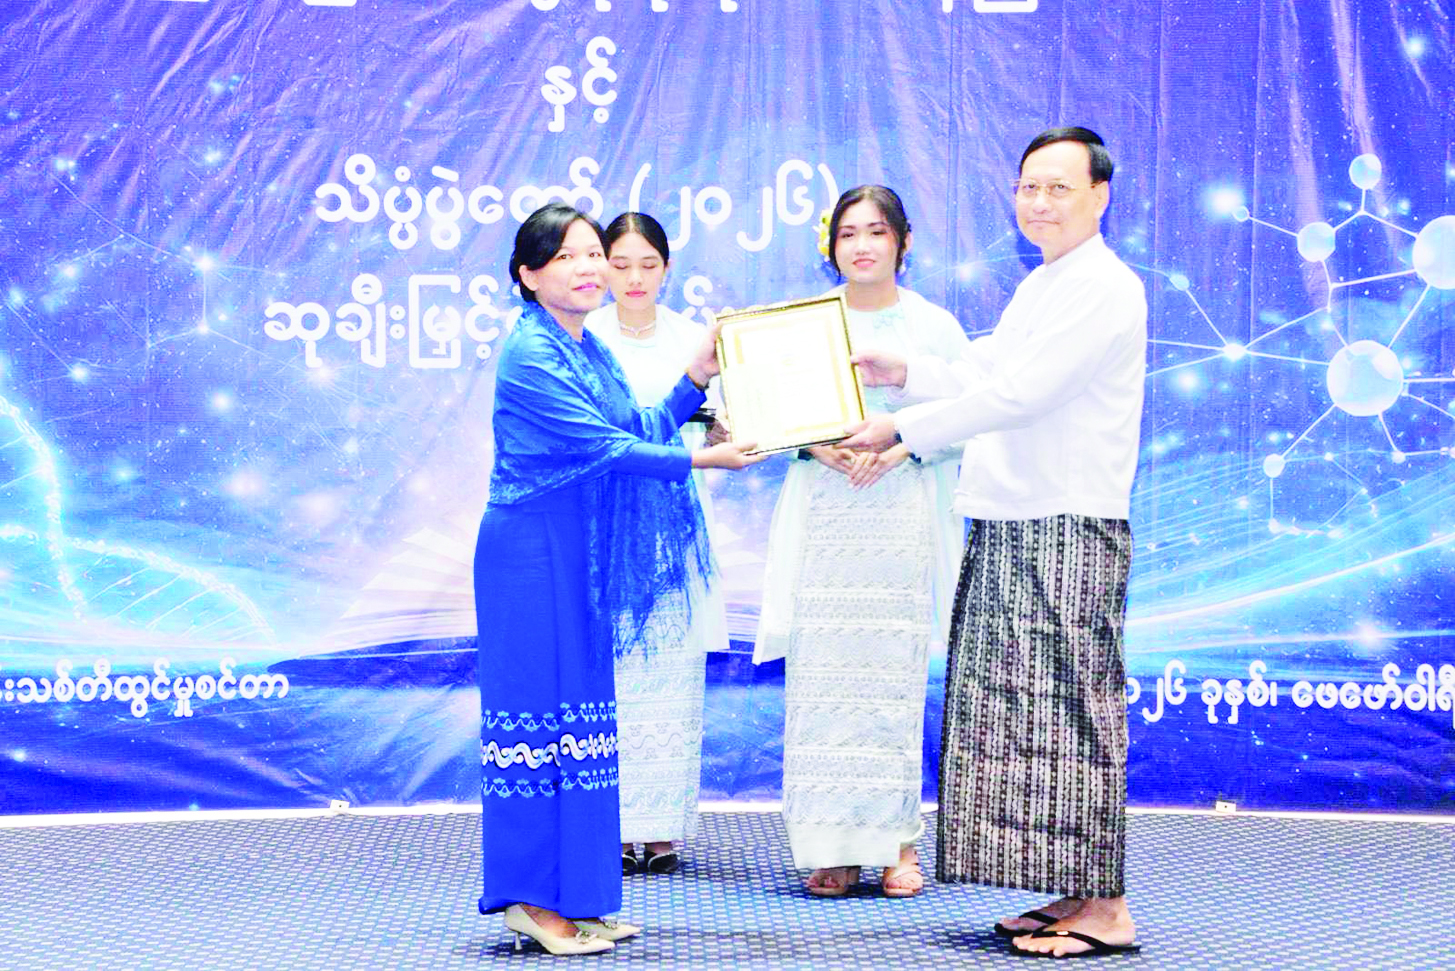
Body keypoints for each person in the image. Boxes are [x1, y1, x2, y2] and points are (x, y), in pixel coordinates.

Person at [841, 127, 1147, 957]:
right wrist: (903, 372)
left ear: (1099, 195)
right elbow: (991, 373)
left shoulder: (1104, 287)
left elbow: (1021, 394)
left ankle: (1108, 908)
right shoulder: (1046, 282)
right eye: (1027, 187)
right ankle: (1075, 889)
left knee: (1074, 710)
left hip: (1067, 521)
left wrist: (900, 427)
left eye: (1058, 187)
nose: (1038, 202)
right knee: (1028, 712)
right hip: (1015, 515)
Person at [474, 203, 763, 955]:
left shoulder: (585, 345)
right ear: (528, 274)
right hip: (529, 555)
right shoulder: (530, 352)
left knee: (581, 721)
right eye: (564, 256)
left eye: (590, 253)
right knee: (537, 722)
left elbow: (634, 425)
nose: (587, 267)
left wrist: (696, 375)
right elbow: (604, 448)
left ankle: (580, 895)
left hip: (579, 549)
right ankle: (531, 900)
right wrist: (703, 457)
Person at [753, 185, 972, 899]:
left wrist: (904, 445)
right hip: (826, 512)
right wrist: (816, 445)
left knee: (889, 683)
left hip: (900, 514)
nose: (861, 245)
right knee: (823, 681)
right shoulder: (803, 324)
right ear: (831, 247)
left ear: (903, 243)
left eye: (876, 231)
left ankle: (896, 843)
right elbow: (756, 414)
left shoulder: (934, 327)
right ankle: (832, 847)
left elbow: (974, 415)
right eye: (847, 233)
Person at [584, 212, 730, 876]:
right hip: (605, 524)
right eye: (620, 264)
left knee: (671, 670)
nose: (634, 278)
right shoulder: (583, 338)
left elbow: (725, 419)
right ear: (601, 267)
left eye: (648, 265)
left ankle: (664, 826)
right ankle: (612, 824)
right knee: (612, 674)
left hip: (677, 525)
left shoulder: (694, 339)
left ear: (667, 269)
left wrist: (728, 432)